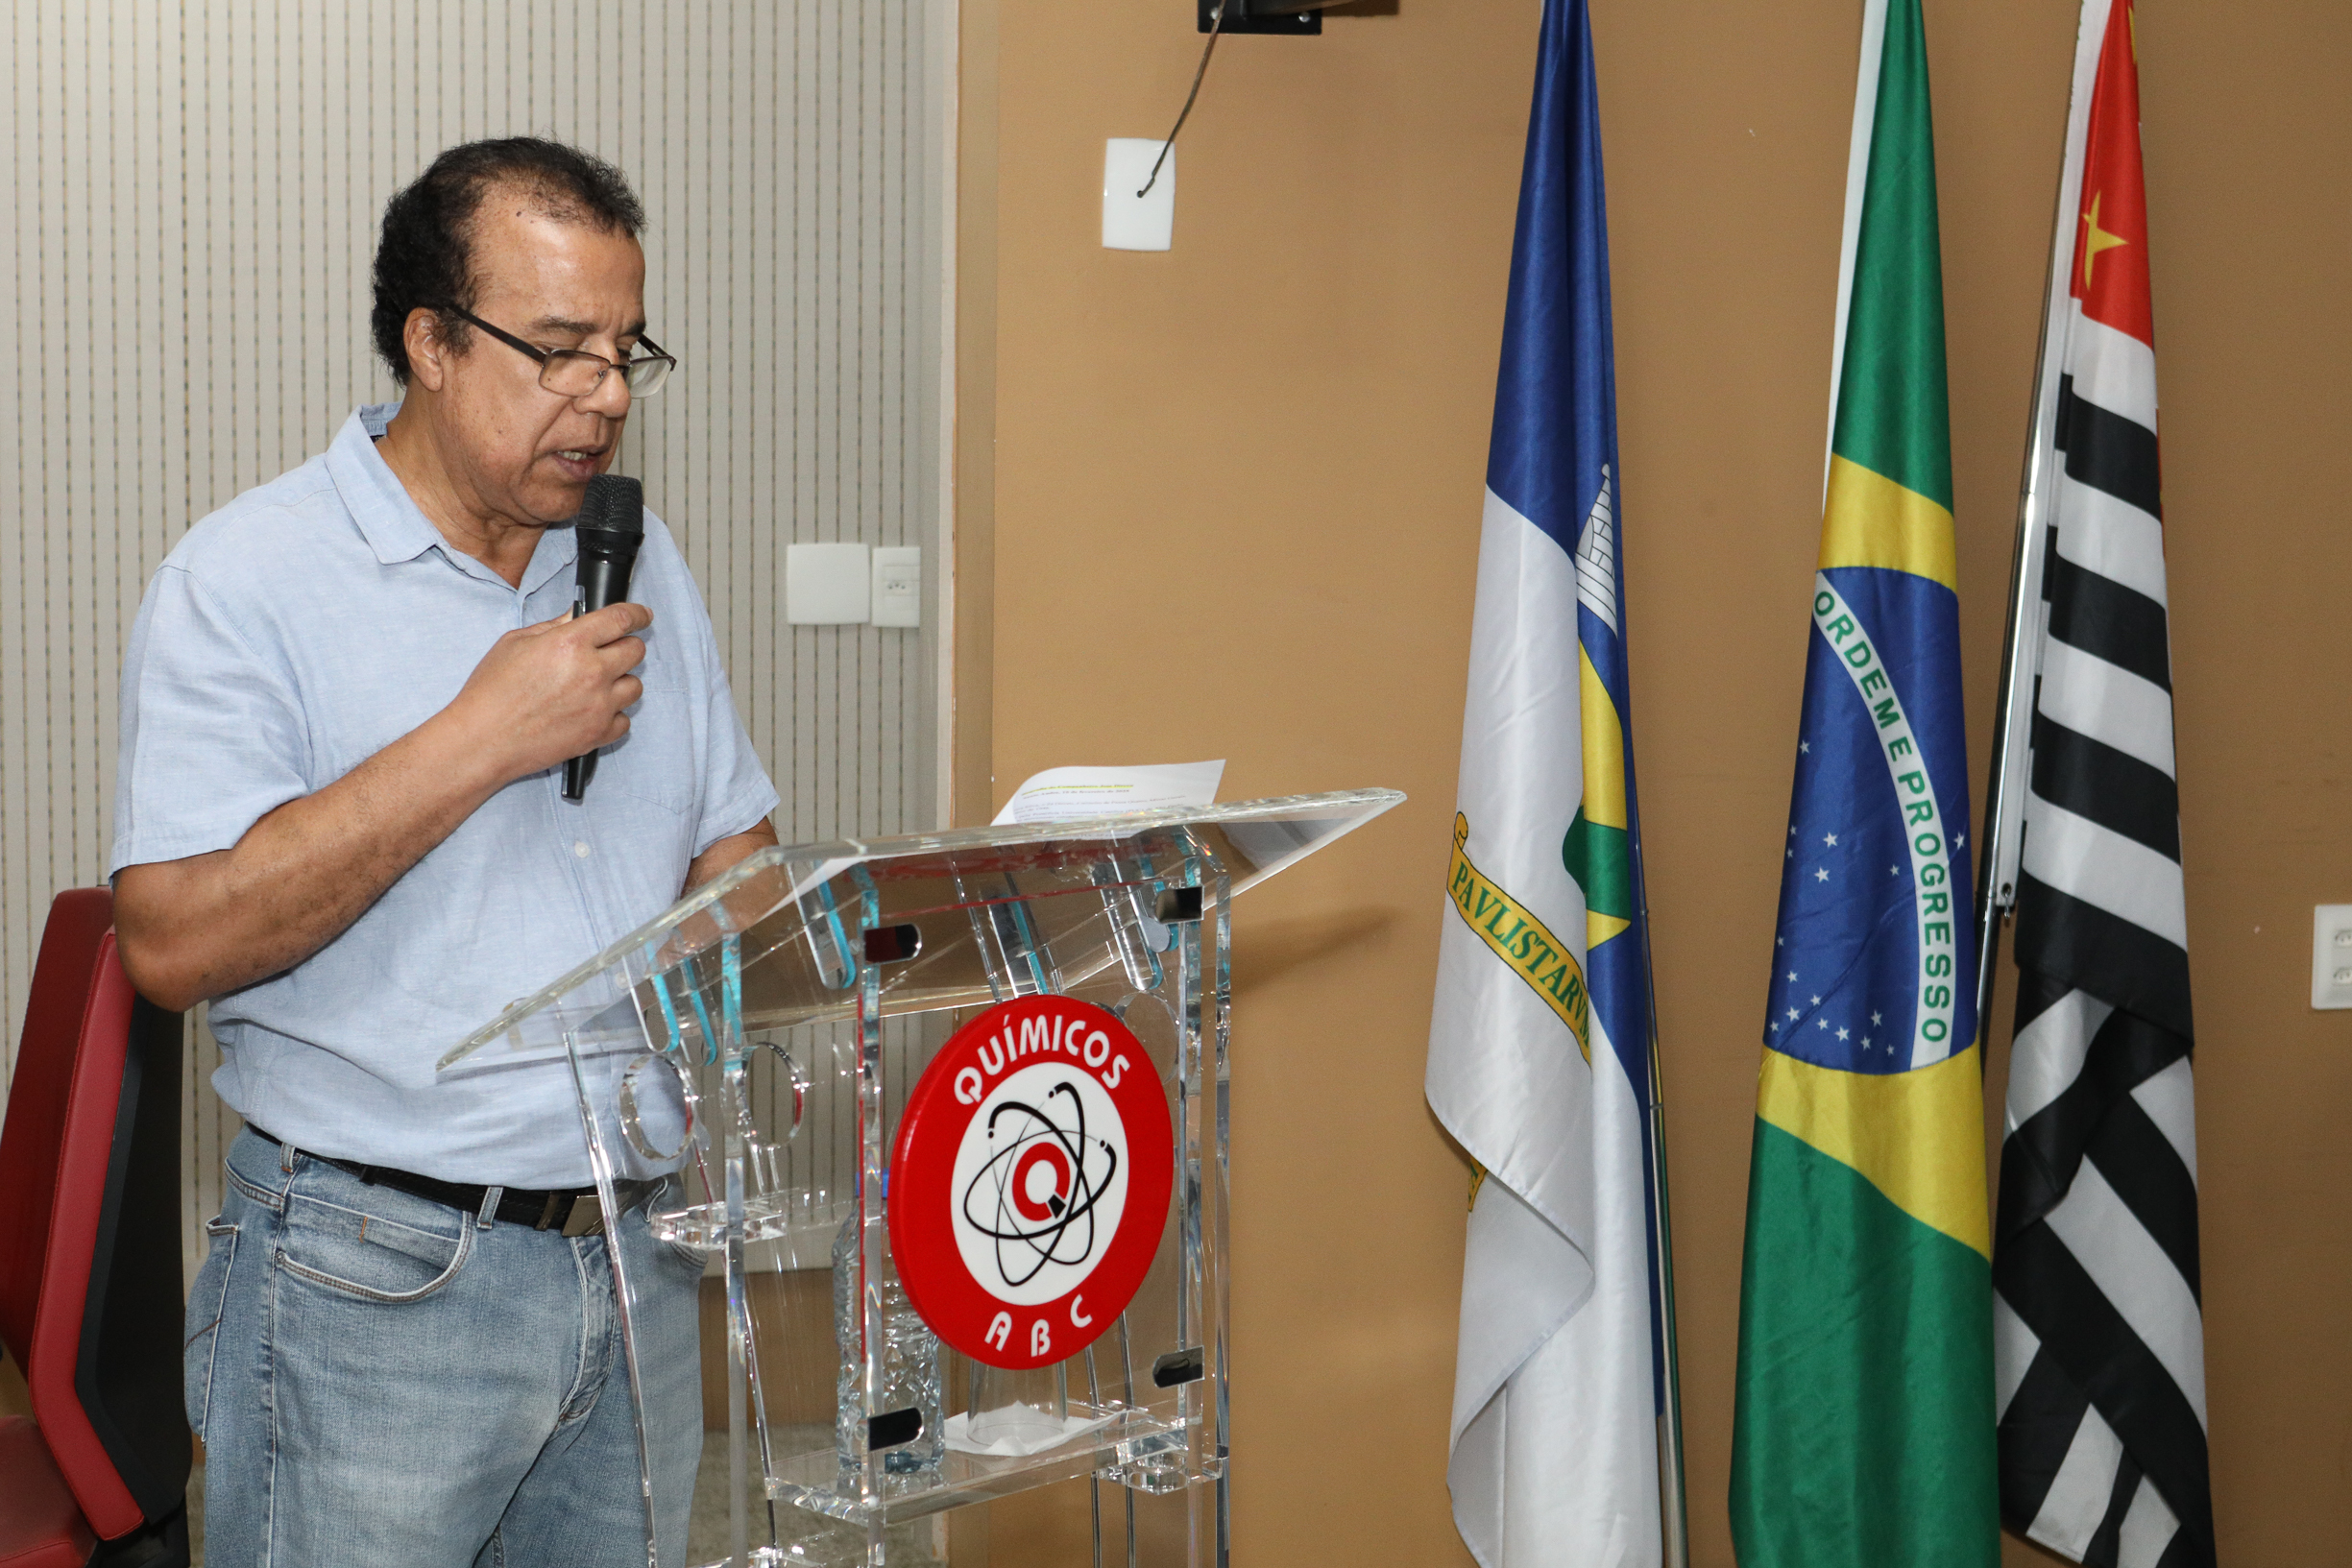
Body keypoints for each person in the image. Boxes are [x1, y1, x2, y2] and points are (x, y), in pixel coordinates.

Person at [109, 138, 777, 1567]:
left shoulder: (638, 561)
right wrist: (480, 733)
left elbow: (737, 846)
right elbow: (169, 943)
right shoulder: (244, 581)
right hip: (377, 1284)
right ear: (429, 342)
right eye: (556, 350)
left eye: (622, 349)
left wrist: (757, 919)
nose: (602, 394)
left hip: (637, 1252)